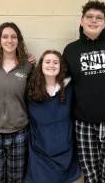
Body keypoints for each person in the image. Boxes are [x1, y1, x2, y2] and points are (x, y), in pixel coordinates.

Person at [62, 0, 105, 183]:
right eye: (89, 17)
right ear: (81, 20)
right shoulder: (70, 50)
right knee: (90, 175)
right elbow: (59, 81)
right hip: (84, 123)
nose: (94, 20)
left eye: (99, 17)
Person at [0, 22, 32, 183]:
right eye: (5, 36)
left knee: (17, 179)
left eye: (14, 36)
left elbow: (32, 95)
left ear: (19, 40)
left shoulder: (27, 65)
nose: (10, 40)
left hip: (19, 131)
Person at [26, 50, 81, 183]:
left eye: (56, 62)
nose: (52, 65)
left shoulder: (70, 87)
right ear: (41, 65)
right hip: (39, 153)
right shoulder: (31, 89)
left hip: (65, 151)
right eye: (48, 61)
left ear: (61, 66)